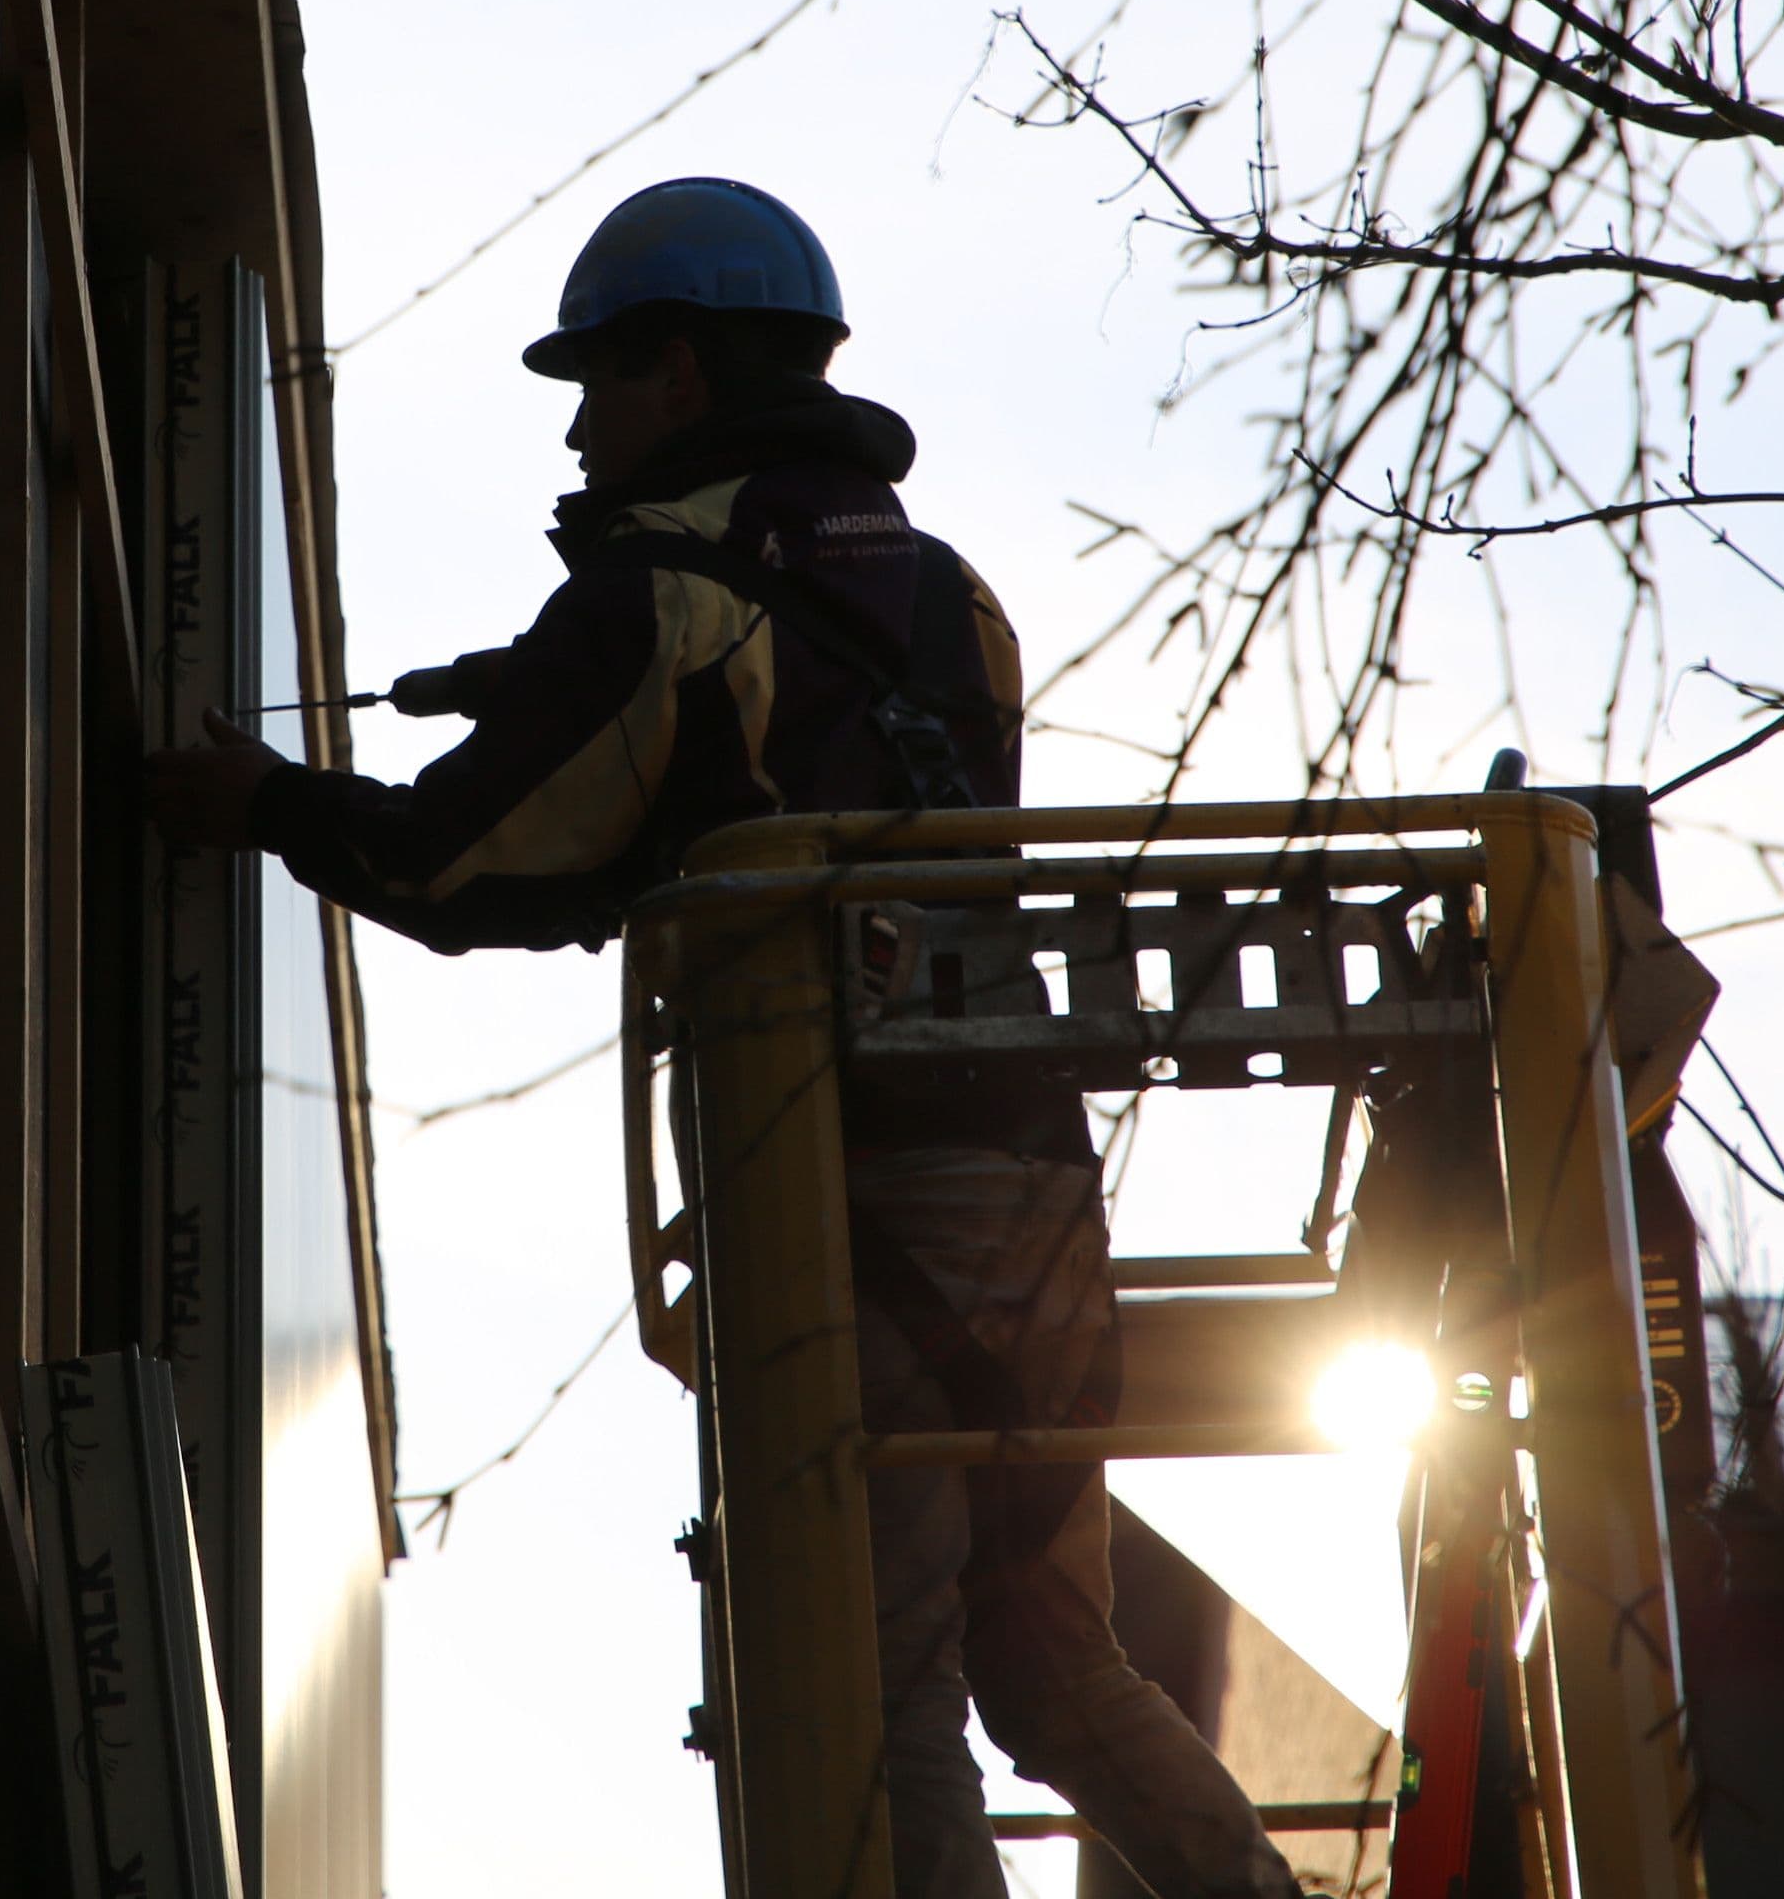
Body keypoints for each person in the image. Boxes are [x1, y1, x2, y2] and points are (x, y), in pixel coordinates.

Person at [146, 178, 1299, 1899]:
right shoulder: (949, 593)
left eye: (600, 384)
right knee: (1061, 1670)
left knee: (881, 1690)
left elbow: (472, 864)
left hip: (842, 1193)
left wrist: (261, 800)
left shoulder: (658, 600)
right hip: (1039, 1191)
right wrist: (561, 697)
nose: (586, 429)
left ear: (680, 374)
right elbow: (844, 779)